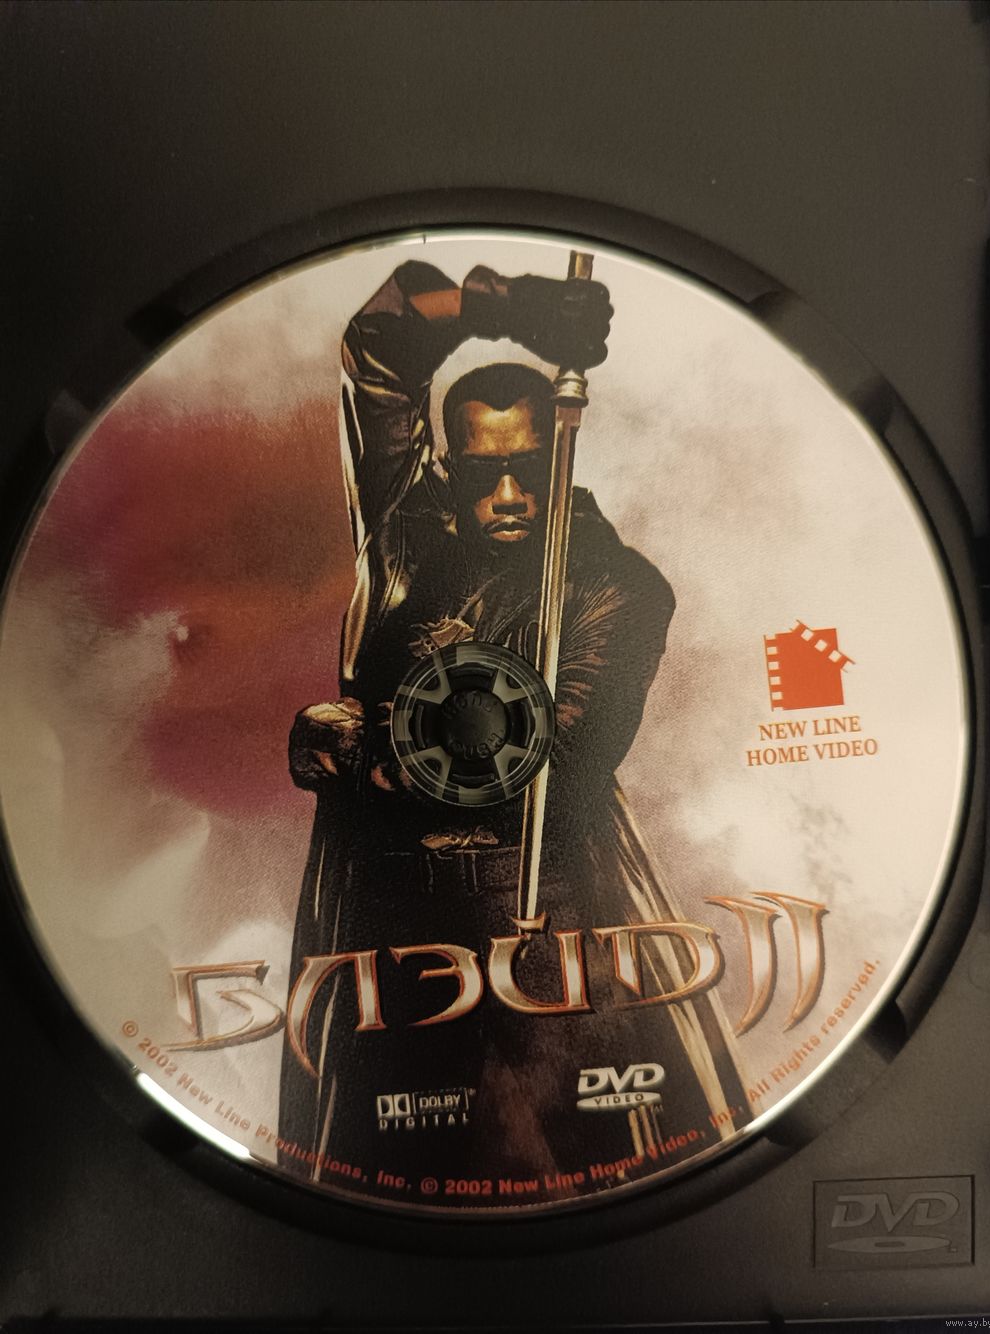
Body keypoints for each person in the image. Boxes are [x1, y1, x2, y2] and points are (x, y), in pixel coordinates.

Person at [278, 258, 749, 1199]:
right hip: (384, 921)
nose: (506, 497)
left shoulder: (616, 586)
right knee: (373, 1182)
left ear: (557, 463)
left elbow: (553, 756)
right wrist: (512, 306)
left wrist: (355, 744)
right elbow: (380, 346)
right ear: (448, 471)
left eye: (527, 471)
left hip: (548, 919)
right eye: (483, 473)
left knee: (581, 1171)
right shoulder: (405, 540)